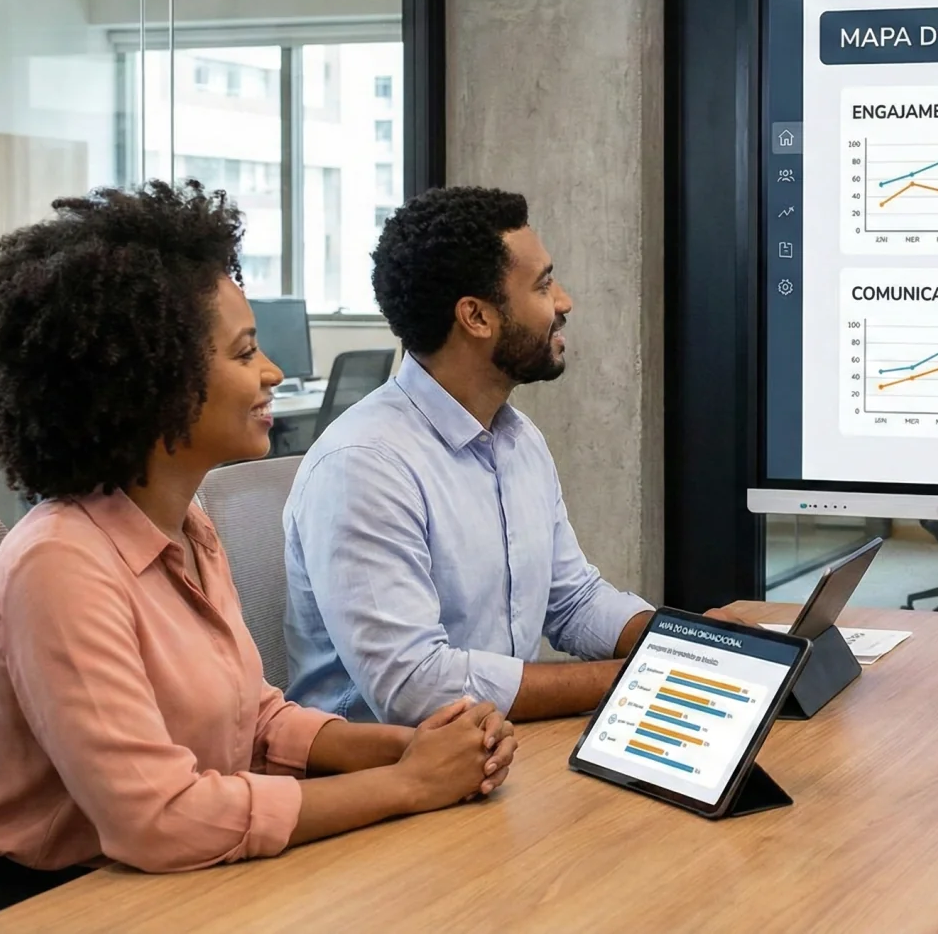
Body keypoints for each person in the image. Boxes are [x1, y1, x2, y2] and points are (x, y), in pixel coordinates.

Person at [0, 183, 516, 927]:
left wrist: (410, 749)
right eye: (245, 352)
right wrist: (409, 786)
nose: (272, 371)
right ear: (155, 380)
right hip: (50, 904)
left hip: (163, 883)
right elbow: (161, 818)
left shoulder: (189, 526)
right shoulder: (58, 565)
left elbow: (258, 718)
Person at [285, 187, 721, 726]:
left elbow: (574, 601)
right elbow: (418, 690)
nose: (564, 302)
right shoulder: (364, 465)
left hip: (500, 754)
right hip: (388, 782)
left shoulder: (519, 440)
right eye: (543, 285)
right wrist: (641, 675)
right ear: (476, 316)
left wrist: (696, 646)